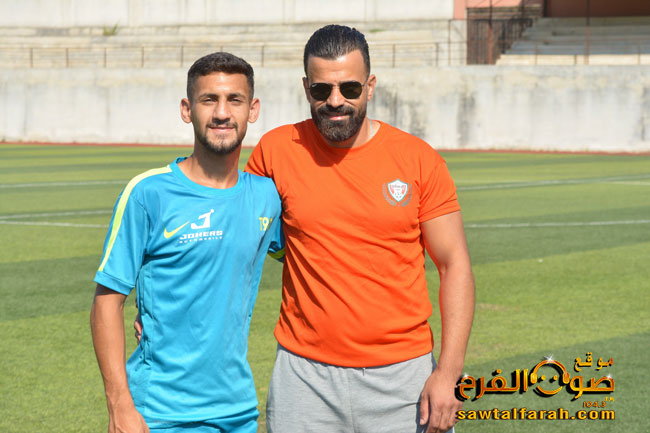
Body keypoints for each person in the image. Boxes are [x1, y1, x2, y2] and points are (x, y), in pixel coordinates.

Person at [245, 25, 475, 433]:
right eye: (322, 90)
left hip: (405, 379)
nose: (335, 101)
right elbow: (231, 240)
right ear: (306, 88)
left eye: (349, 88)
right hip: (304, 379)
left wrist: (448, 373)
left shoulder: (418, 159)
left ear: (370, 87)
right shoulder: (275, 151)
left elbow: (453, 264)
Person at [90, 52, 283, 433]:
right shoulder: (147, 193)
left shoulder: (267, 198)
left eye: (235, 100)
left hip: (237, 412)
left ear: (253, 110)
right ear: (186, 109)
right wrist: (120, 405)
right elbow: (107, 301)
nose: (222, 113)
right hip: (158, 414)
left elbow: (313, 257)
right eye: (209, 99)